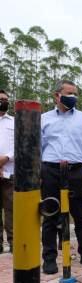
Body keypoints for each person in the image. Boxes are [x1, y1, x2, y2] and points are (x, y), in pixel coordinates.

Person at [41, 80, 82, 274]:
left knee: (80, 215)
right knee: (50, 214)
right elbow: (38, 147)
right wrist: (38, 173)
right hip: (50, 170)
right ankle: (49, 258)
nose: (73, 96)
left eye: (75, 93)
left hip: (77, 171)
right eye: (69, 93)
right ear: (57, 95)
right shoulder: (44, 119)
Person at [0, 90, 14, 254]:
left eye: (5, 99)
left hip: (10, 173)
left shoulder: (14, 122)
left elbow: (20, 145)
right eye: (1, 99)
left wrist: (7, 158)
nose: (3, 101)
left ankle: (13, 242)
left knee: (11, 210)